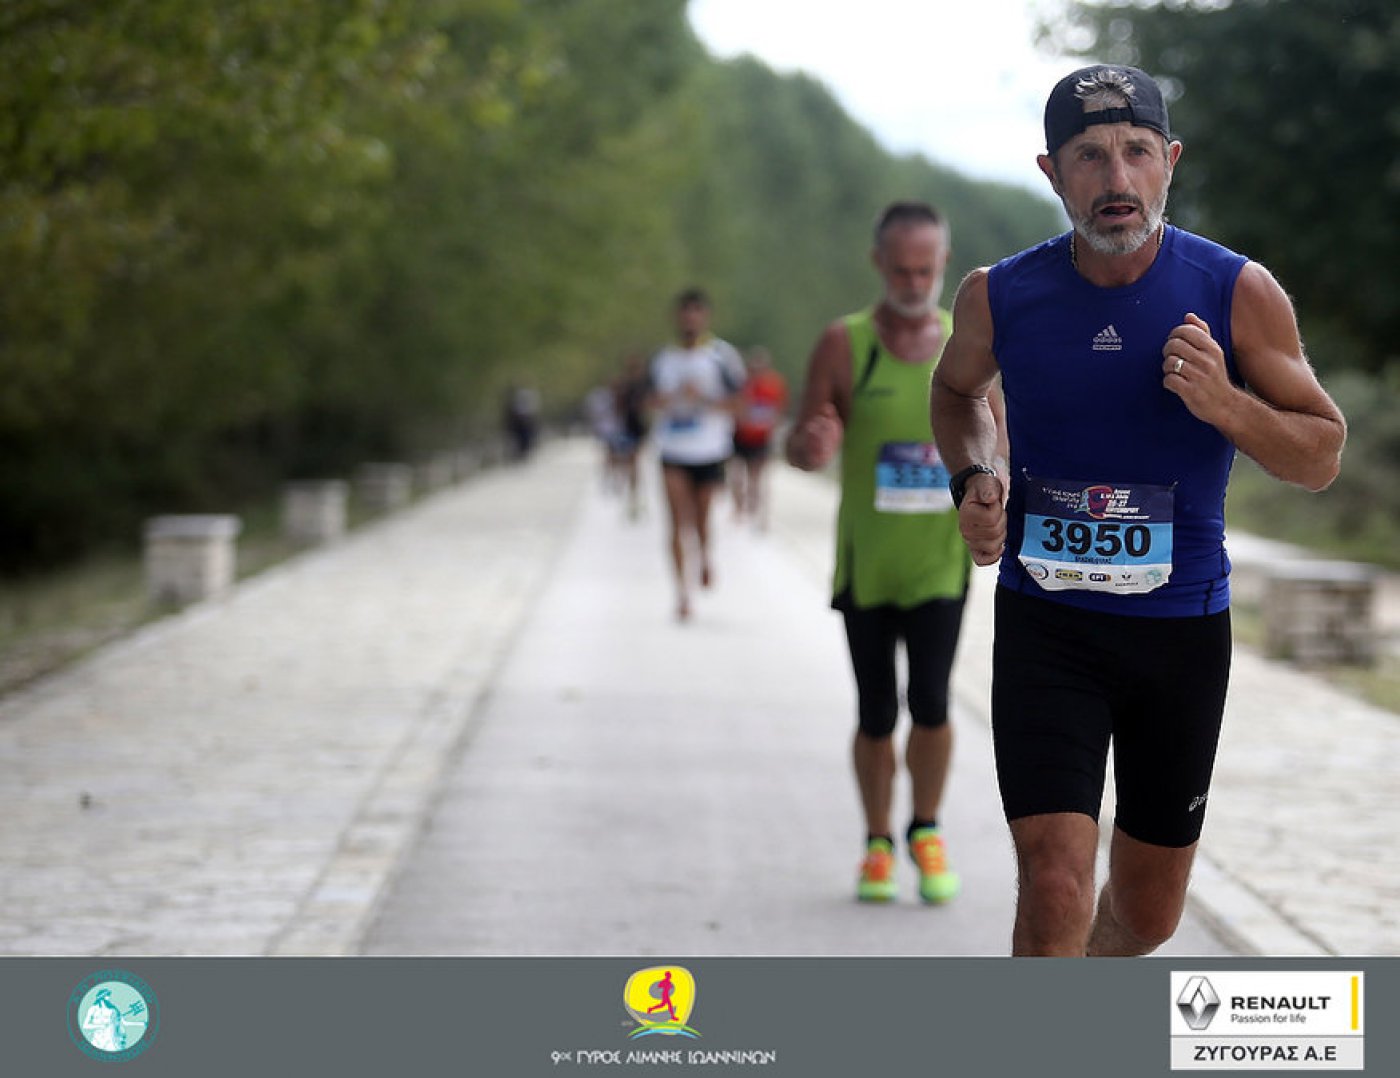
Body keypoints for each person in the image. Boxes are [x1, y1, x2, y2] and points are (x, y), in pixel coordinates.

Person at [929, 65, 1346, 956]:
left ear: (1170, 162)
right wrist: (975, 475)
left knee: (1148, 917)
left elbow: (1320, 453)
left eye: (1137, 152)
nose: (1116, 179)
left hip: (1179, 635)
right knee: (1055, 879)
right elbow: (957, 393)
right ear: (1052, 173)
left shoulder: (1236, 291)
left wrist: (1228, 407)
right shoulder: (999, 294)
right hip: (1049, 626)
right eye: (1090, 156)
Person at [786, 201, 1006, 904]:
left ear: (944, 264)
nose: (913, 283)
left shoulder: (967, 346)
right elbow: (801, 443)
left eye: (925, 269)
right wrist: (811, 445)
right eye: (901, 270)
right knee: (877, 709)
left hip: (939, 561)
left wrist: (999, 494)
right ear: (878, 263)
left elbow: (1000, 446)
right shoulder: (843, 342)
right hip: (869, 563)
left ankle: (927, 829)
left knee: (933, 702)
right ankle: (878, 842)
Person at [647, 288, 746, 621]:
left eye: (696, 312)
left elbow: (741, 405)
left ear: (705, 316)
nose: (690, 318)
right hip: (672, 449)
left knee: (701, 520)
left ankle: (704, 555)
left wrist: (703, 399)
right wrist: (664, 399)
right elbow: (644, 401)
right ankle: (682, 593)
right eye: (685, 312)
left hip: (710, 449)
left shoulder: (722, 356)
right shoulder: (663, 359)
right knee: (677, 521)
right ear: (676, 317)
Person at [730, 347, 789, 530]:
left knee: (756, 477)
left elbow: (779, 410)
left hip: (761, 438)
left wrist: (772, 427)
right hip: (740, 436)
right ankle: (739, 508)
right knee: (736, 474)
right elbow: (734, 407)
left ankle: (756, 510)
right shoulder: (742, 384)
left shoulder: (775, 385)